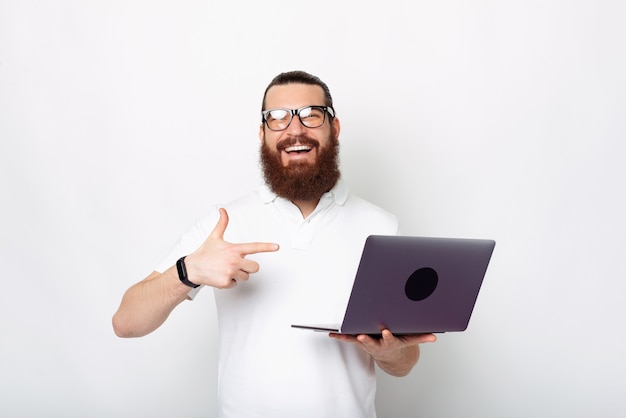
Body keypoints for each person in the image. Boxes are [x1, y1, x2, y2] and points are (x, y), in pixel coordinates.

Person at [112, 70, 436, 417]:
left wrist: (389, 354)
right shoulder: (224, 223)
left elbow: (404, 362)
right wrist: (188, 270)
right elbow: (126, 323)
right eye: (277, 118)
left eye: (311, 115)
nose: (295, 129)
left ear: (334, 128)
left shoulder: (380, 226)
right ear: (262, 133)